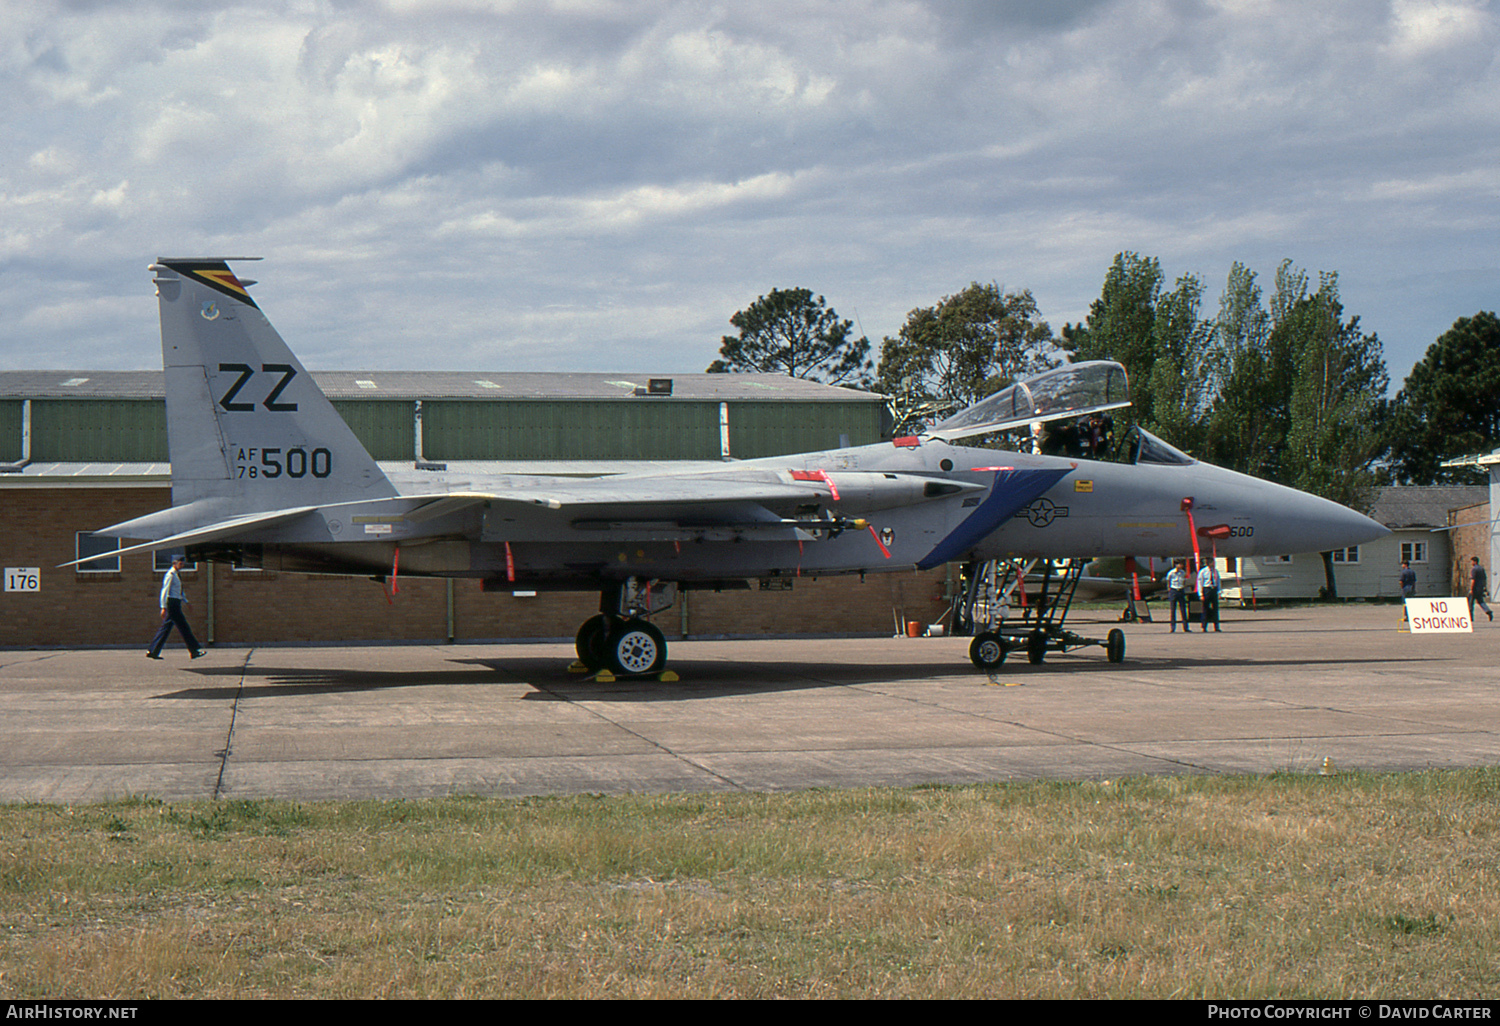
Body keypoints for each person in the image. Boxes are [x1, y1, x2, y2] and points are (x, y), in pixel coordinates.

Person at [147, 555, 205, 659]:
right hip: (172, 603)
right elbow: (165, 591)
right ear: (174, 563)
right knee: (184, 627)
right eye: (180, 563)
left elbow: (180, 591)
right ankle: (194, 650)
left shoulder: (177, 575)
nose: (182, 565)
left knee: (166, 627)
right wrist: (163, 607)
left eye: (183, 564)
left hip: (176, 602)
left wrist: (186, 602)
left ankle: (153, 651)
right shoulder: (170, 575)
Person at [1198, 560, 1222, 633]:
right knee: (1205, 608)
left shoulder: (1215, 571)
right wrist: (1201, 594)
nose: (1213, 564)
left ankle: (1216, 626)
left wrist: (1219, 592)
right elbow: (1200, 583)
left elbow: (1218, 581)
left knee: (1215, 609)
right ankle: (1204, 626)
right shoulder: (1203, 571)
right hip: (1206, 589)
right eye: (1212, 562)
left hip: (1213, 589)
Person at [1167, 559, 1190, 633]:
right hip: (1174, 590)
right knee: (1173, 609)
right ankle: (1173, 627)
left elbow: (1184, 581)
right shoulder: (1171, 573)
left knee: (1183, 609)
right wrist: (1170, 590)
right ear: (1176, 565)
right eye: (1180, 564)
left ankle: (1185, 627)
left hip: (1180, 590)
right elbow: (1168, 581)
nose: (1181, 566)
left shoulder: (1183, 572)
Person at [1470, 556, 1493, 623]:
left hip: (1475, 588)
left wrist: (1471, 589)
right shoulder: (1481, 569)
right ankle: (1488, 611)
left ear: (1474, 562)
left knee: (1470, 603)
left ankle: (1471, 617)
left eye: (1472, 561)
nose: (1471, 563)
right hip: (1480, 588)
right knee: (1480, 601)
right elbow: (1484, 579)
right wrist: (1484, 587)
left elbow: (1473, 580)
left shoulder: (1474, 569)